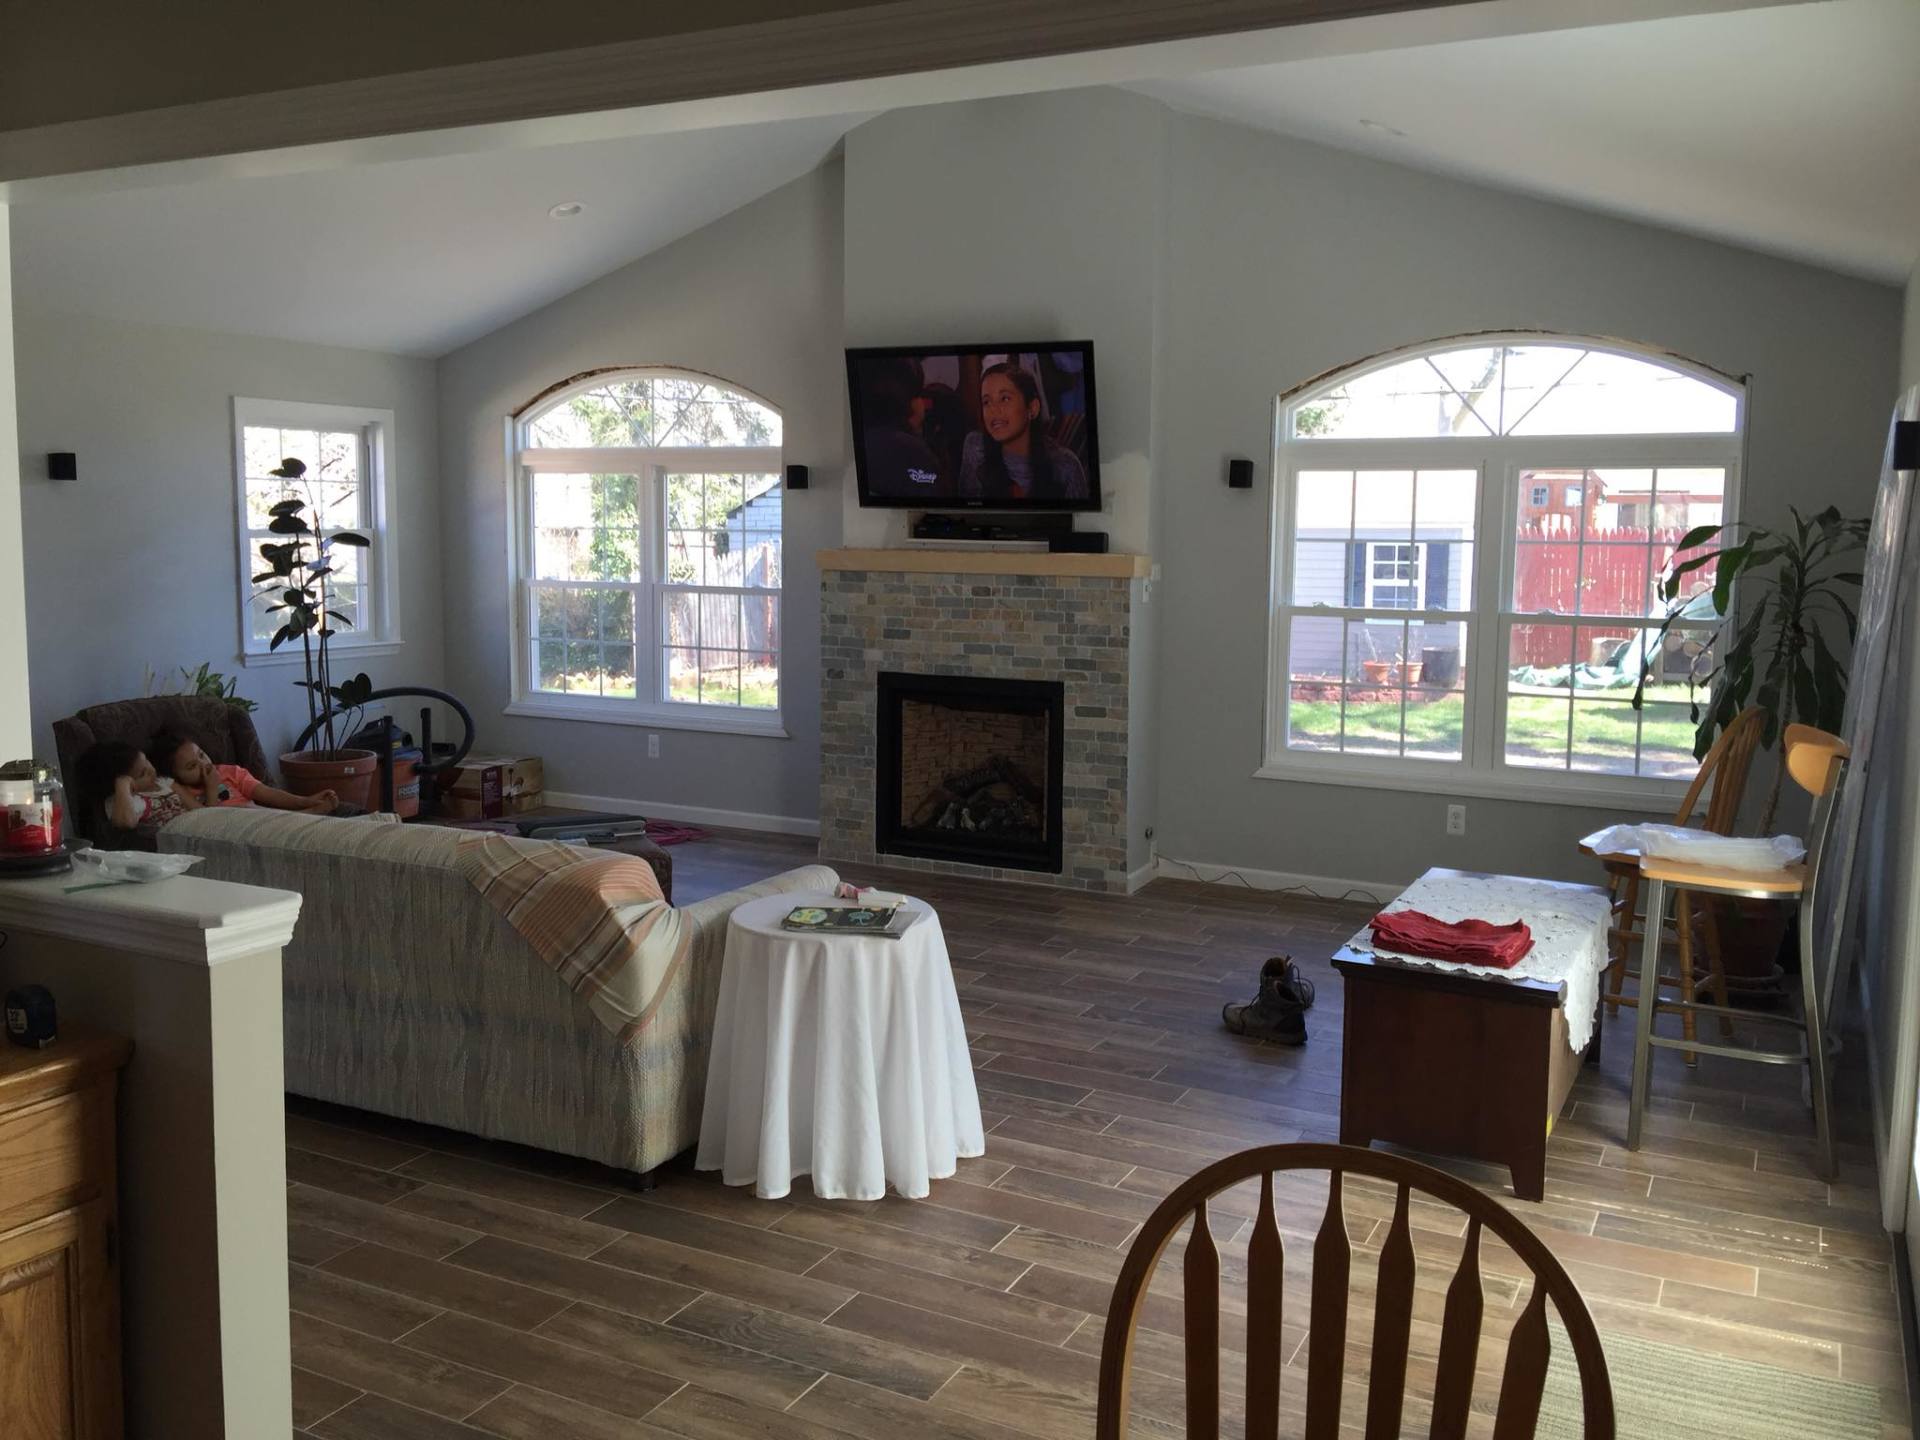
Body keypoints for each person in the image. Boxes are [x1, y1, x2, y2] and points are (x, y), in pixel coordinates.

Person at [956, 362, 1091, 503]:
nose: (993, 410)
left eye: (1005, 398)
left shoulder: (1066, 466)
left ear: (1032, 408)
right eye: (986, 402)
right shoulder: (975, 447)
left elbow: (1080, 515)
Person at [150, 729, 337, 814]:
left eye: (201, 754)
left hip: (257, 813)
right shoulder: (183, 793)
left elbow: (268, 793)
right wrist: (212, 789)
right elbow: (207, 821)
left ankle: (306, 810)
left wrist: (304, 800)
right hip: (235, 825)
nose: (203, 764)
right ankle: (306, 816)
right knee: (248, 814)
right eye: (192, 766)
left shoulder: (229, 772)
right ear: (175, 775)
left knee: (256, 811)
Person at [75, 740, 199, 840]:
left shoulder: (164, 782)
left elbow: (199, 810)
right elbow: (125, 823)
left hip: (197, 823)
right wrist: (123, 784)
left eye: (147, 761)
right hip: (182, 836)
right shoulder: (129, 800)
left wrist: (209, 786)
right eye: (142, 774)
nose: (151, 770)